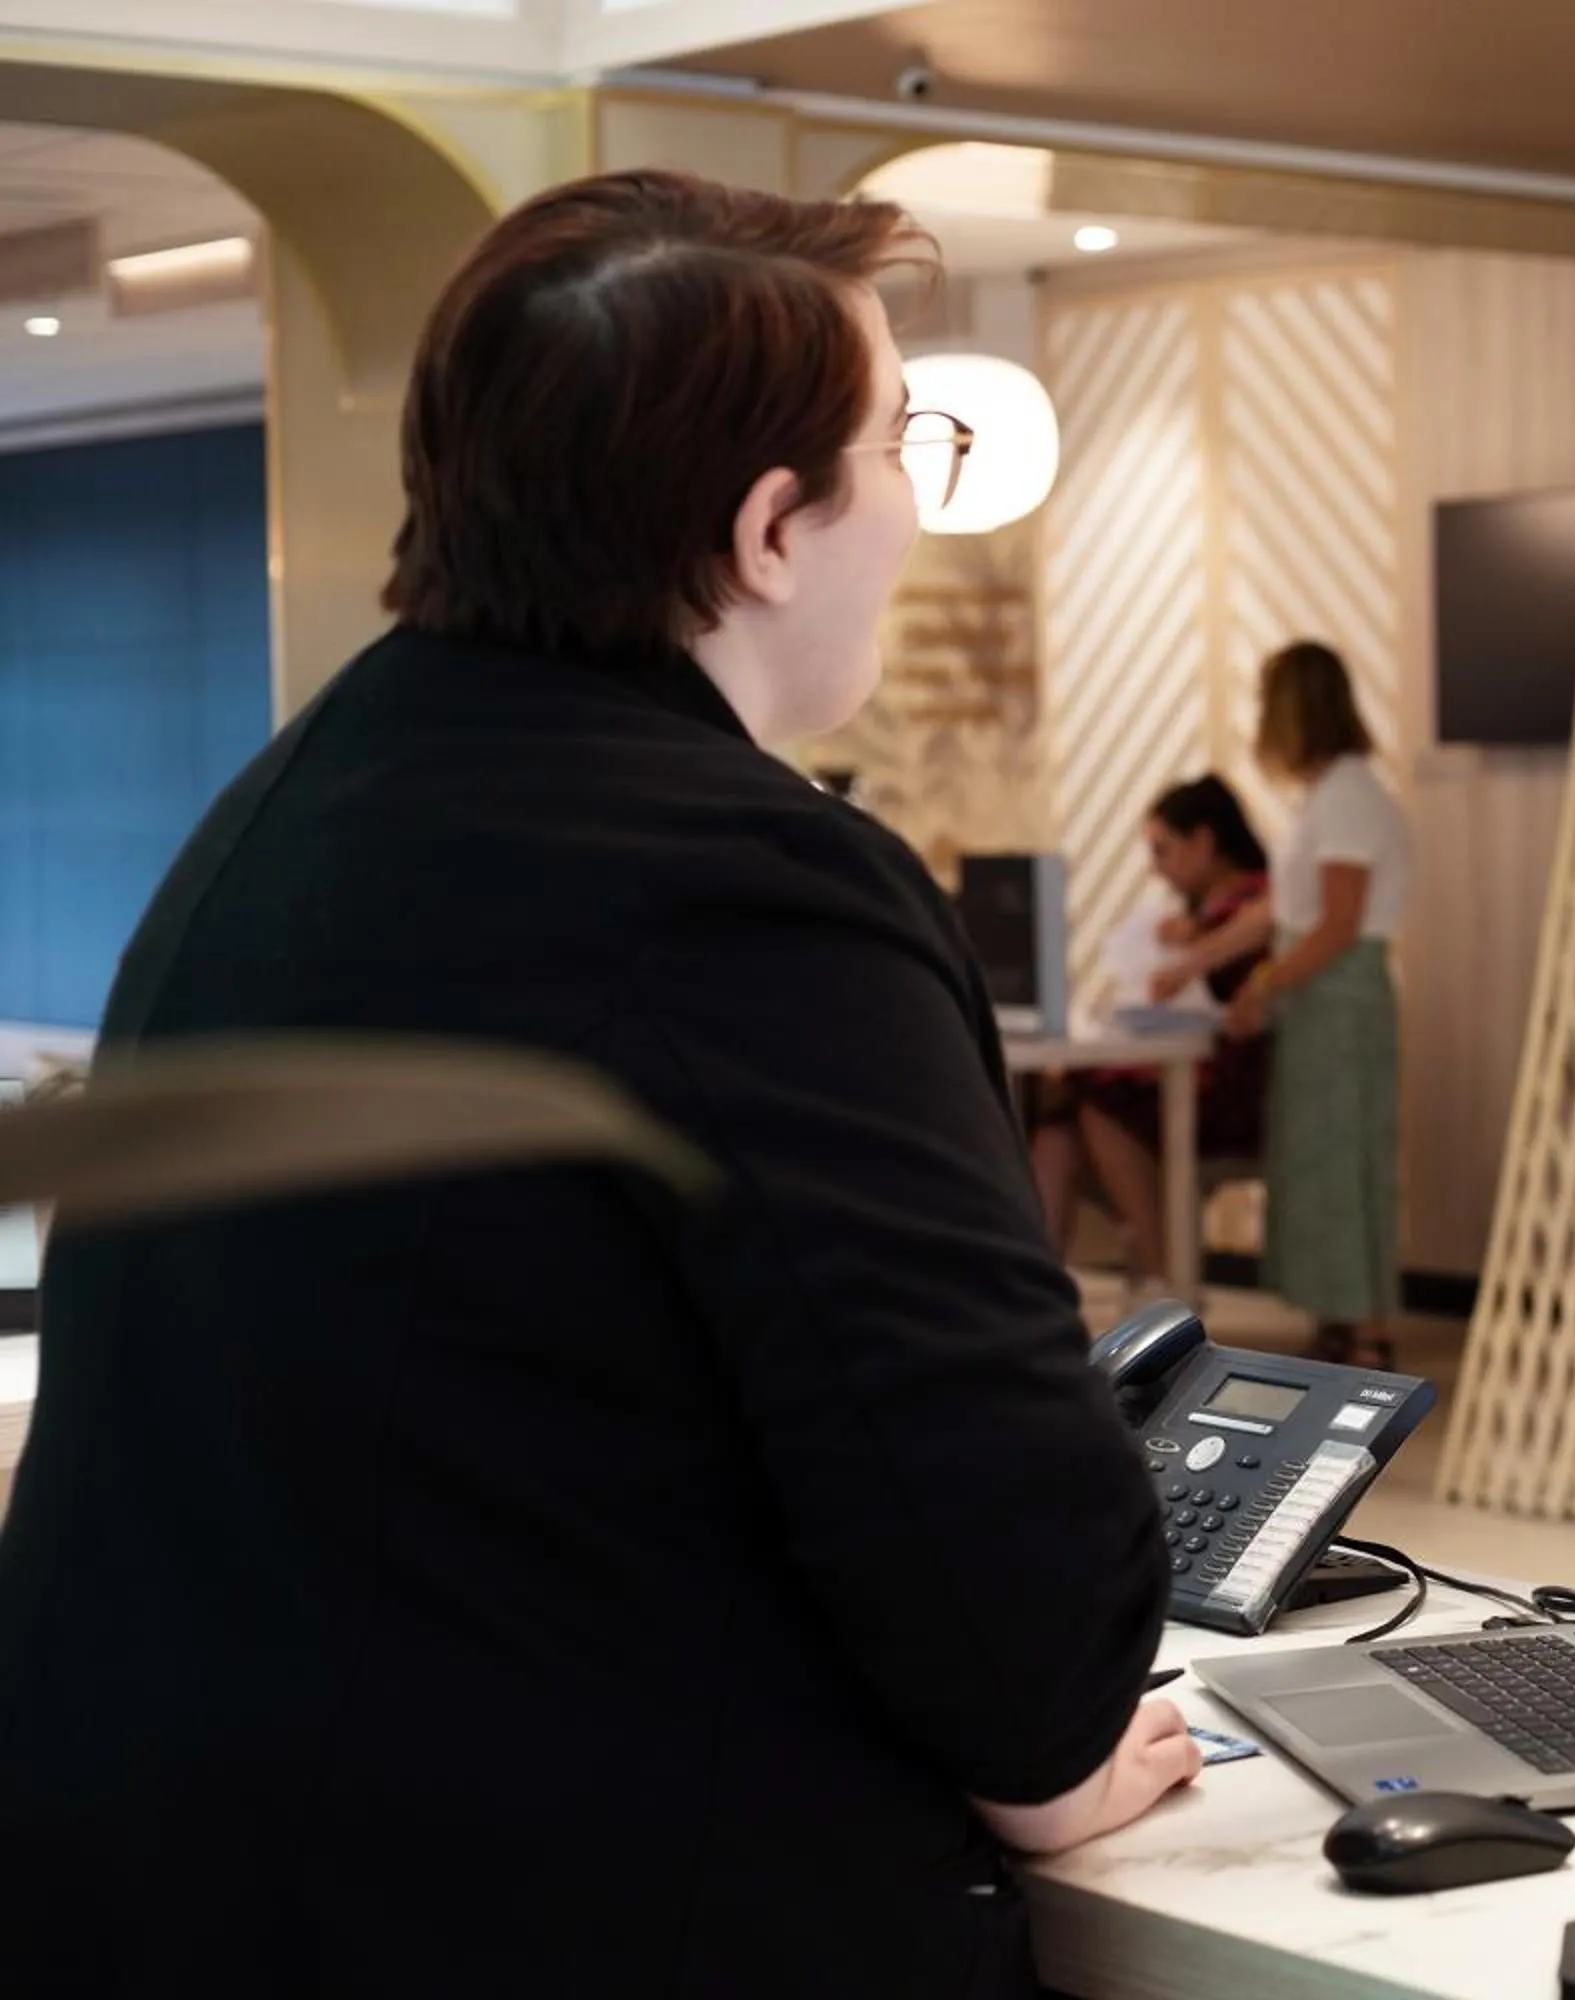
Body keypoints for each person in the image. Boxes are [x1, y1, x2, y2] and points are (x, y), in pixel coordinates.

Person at [0, 170, 1194, 2000]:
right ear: (770, 528)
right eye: (899, 447)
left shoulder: (277, 814)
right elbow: (1006, 1603)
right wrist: (1047, 1763)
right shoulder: (756, 885)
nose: (913, 514)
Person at [1225, 641, 1409, 1370]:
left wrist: (1265, 984)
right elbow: (1288, 908)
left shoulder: (1349, 798)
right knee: (1321, 1165)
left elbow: (1336, 922)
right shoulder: (1332, 794)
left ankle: (1365, 1328)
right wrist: (1200, 962)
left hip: (1340, 1007)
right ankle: (1340, 1316)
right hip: (1322, 1007)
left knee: (1346, 1164)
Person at [1029, 774, 1273, 1287]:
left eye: (1163, 851)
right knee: (1058, 1119)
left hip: (1235, 1085)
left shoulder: (1253, 904)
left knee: (1095, 1097)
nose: (1156, 869)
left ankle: (1162, 1274)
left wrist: (1197, 941)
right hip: (1190, 1073)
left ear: (1203, 841)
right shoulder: (1204, 916)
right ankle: (1040, 1285)